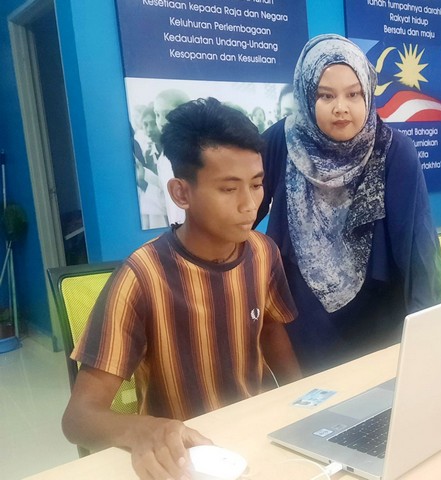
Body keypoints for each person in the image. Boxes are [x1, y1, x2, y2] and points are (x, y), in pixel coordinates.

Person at [63, 97, 301, 480]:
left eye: (257, 185)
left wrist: (301, 401)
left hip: (254, 439)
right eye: (228, 189)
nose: (249, 205)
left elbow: (272, 329)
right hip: (183, 458)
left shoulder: (263, 252)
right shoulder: (141, 277)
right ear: (180, 193)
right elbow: (78, 419)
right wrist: (141, 430)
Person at [257, 34, 441, 376]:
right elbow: (241, 208)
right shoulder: (282, 141)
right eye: (325, 95)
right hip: (300, 318)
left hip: (378, 318)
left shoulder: (393, 150)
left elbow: (418, 250)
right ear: (306, 94)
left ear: (368, 93)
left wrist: (429, 338)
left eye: (353, 94)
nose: (341, 108)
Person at [154, 89, 191, 226]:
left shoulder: (203, 154)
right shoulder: (163, 158)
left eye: (167, 114)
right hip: (180, 231)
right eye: (157, 114)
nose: (161, 121)